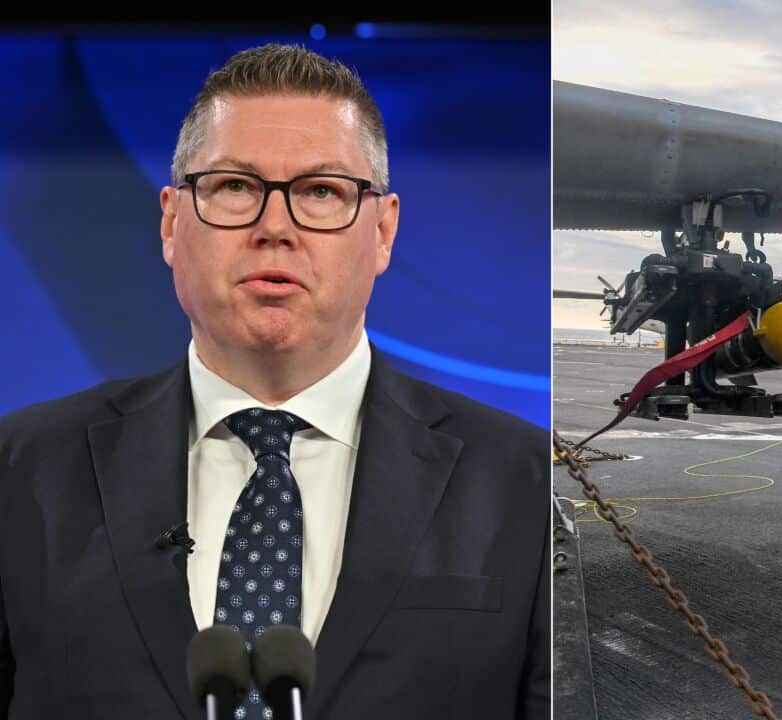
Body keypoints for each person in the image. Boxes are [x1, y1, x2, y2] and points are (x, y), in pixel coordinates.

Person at [0, 44, 549, 718]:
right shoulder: (21, 469)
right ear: (172, 221)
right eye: (234, 186)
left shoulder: (522, 479)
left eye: (321, 192)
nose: (274, 227)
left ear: (383, 231)